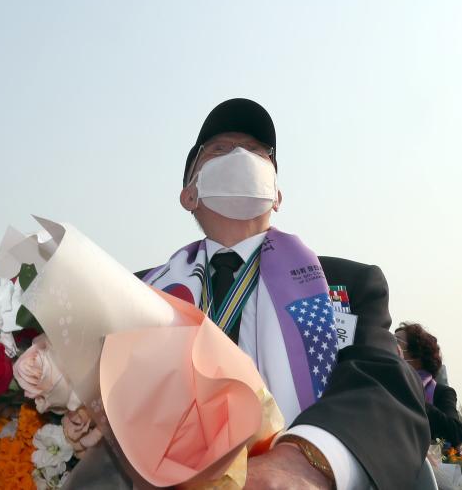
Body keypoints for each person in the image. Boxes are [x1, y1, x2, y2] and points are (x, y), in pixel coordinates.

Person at [138, 98, 430, 490]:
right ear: (188, 194)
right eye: (220, 149)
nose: (240, 156)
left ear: (276, 195)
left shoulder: (344, 283)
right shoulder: (141, 293)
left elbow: (385, 387)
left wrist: (301, 463)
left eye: (257, 151)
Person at [395, 323, 462, 447]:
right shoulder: (384, 384)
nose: (389, 346)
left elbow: (456, 433)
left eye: (396, 341)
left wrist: (410, 394)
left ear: (416, 355)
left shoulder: (441, 393)